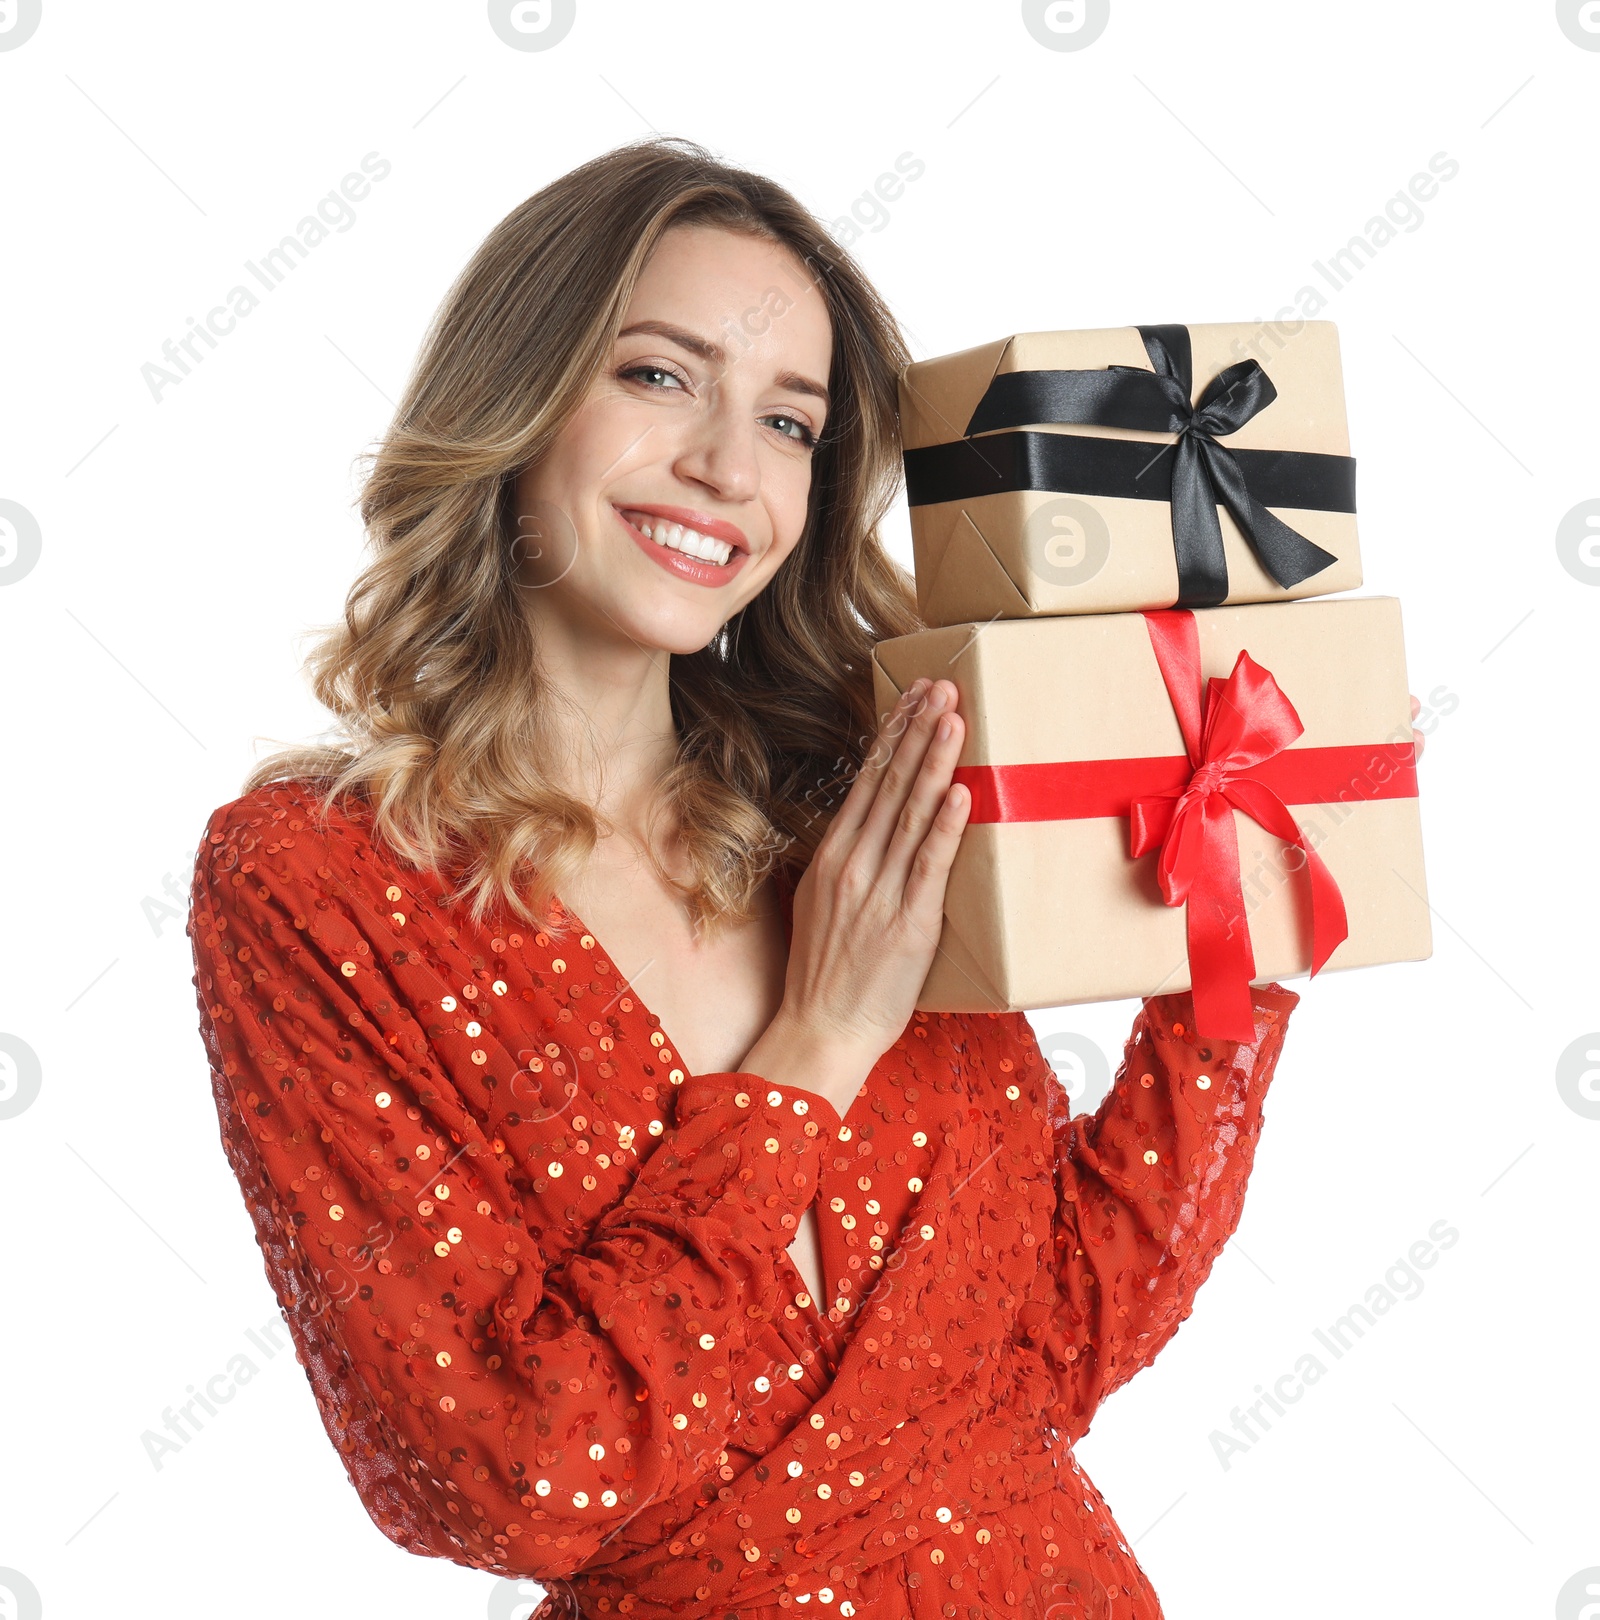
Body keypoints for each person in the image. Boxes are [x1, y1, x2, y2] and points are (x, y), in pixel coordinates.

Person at [187, 136, 1424, 1619]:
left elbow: (1051, 1342)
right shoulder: (316, 883)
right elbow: (510, 1478)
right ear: (512, 405)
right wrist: (813, 1054)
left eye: (788, 420)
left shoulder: (864, 790)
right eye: (658, 376)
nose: (726, 465)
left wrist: (1239, 913)